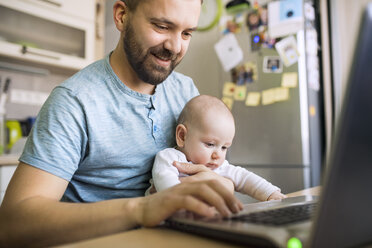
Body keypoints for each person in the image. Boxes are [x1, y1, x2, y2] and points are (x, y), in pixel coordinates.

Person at [0, 0, 244, 247]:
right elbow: (13, 225)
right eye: (161, 26)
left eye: (186, 33)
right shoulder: (74, 101)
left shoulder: (186, 91)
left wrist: (218, 183)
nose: (174, 46)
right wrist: (141, 210)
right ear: (121, 16)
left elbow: (213, 169)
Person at [150, 95, 286, 201]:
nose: (217, 155)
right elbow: (167, 187)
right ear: (182, 136)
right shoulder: (170, 159)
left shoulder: (218, 167)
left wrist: (271, 194)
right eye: (210, 144)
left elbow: (245, 178)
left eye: (224, 147)